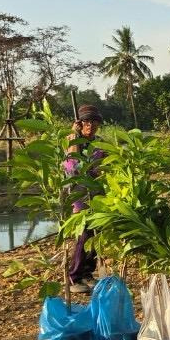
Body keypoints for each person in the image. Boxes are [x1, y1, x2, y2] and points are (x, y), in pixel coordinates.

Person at [64, 104, 106, 293]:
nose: (91, 125)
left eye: (94, 121)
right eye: (87, 122)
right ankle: (75, 276)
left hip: (97, 193)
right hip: (80, 192)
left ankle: (88, 272)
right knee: (84, 234)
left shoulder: (99, 144)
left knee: (96, 233)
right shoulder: (72, 141)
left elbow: (104, 166)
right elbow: (71, 167)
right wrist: (74, 136)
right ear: (80, 123)